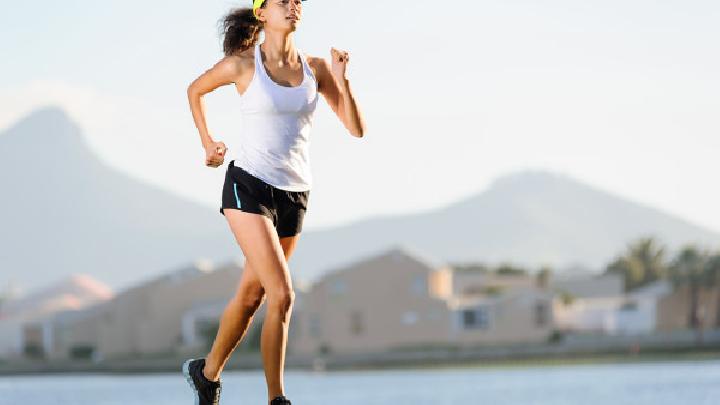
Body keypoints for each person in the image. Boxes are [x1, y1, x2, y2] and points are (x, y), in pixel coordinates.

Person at [183, 0, 366, 404]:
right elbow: (195, 90)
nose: (293, 6)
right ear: (261, 13)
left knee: (253, 296)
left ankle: (206, 373)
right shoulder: (243, 65)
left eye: (297, 1)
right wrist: (207, 143)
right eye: (283, 1)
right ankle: (276, 398)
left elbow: (355, 128)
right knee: (282, 294)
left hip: (295, 195)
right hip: (247, 186)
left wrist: (342, 79)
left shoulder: (315, 68)